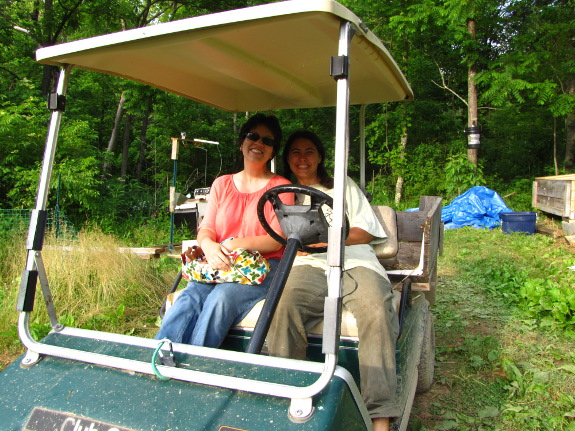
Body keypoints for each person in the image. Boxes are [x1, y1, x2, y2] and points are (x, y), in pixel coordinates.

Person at [266, 130, 400, 431]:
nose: (303, 158)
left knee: (376, 311)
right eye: (296, 152)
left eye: (309, 151)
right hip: (310, 265)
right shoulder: (282, 193)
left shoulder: (340, 186)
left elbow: (364, 232)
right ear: (287, 158)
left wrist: (323, 242)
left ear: (320, 156)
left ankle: (380, 416)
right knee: (283, 306)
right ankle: (290, 396)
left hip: (354, 259)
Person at [155, 113, 293, 348]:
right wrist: (209, 246)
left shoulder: (281, 187)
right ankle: (157, 356)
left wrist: (232, 245)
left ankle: (197, 366)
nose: (259, 143)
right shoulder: (222, 184)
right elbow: (207, 227)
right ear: (242, 144)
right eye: (253, 136)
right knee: (189, 297)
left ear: (272, 151)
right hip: (218, 261)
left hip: (262, 266)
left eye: (267, 141)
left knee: (221, 299)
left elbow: (276, 241)